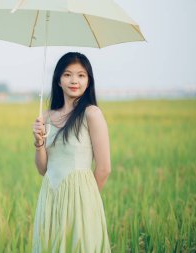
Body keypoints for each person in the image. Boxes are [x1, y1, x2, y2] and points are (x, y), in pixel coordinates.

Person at [31, 52, 112, 252]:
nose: (74, 80)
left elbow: (104, 168)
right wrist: (38, 141)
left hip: (80, 198)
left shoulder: (91, 113)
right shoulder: (46, 116)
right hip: (50, 194)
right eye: (67, 75)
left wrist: (87, 201)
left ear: (88, 81)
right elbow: (42, 169)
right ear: (59, 80)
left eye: (81, 75)